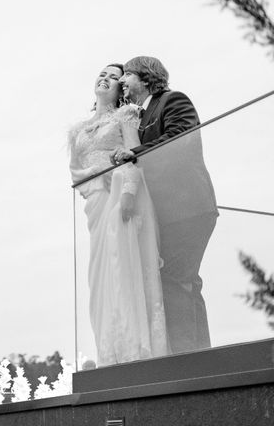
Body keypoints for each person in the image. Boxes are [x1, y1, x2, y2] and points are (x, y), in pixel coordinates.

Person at [112, 56, 218, 353]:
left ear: (145, 77)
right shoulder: (138, 117)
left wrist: (134, 153)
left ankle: (187, 359)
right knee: (185, 281)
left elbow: (181, 137)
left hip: (188, 207)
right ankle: (200, 355)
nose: (122, 81)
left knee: (175, 280)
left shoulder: (173, 100)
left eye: (127, 75)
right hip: (166, 213)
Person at [69, 63, 168, 367]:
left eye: (114, 77)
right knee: (99, 276)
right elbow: (75, 173)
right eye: (102, 74)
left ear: (121, 88)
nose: (106, 78)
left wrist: (128, 191)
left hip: (121, 198)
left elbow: (135, 155)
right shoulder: (77, 131)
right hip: (95, 203)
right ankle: (108, 353)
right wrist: (96, 173)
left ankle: (134, 350)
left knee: (122, 267)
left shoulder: (126, 116)